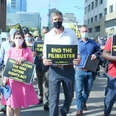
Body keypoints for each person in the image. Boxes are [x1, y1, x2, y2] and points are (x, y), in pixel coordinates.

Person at [43, 10, 80, 116]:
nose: (57, 21)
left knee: (69, 96)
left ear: (62, 19)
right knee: (53, 99)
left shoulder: (71, 33)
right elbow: (45, 56)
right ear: (52, 21)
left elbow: (77, 53)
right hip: (54, 70)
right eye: (55, 20)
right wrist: (45, 61)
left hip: (68, 69)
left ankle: (64, 110)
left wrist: (78, 58)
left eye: (59, 19)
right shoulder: (48, 35)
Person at [1, 31, 39, 116]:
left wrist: (24, 59)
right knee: (9, 103)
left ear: (23, 39)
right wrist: (4, 78)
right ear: (13, 39)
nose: (18, 40)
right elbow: (6, 65)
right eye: (16, 38)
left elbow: (31, 64)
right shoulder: (10, 50)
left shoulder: (27, 50)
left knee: (18, 103)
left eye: (20, 38)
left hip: (21, 81)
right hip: (11, 81)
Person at [74, 25, 100, 116]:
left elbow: (99, 51)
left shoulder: (93, 43)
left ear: (88, 32)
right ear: (80, 33)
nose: (84, 33)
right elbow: (70, 54)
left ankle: (83, 102)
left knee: (87, 91)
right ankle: (79, 109)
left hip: (90, 71)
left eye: (86, 31)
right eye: (82, 31)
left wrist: (96, 54)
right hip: (79, 70)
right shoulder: (76, 43)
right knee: (78, 90)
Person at [0, 28, 17, 113]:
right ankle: (4, 105)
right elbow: (1, 57)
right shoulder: (4, 44)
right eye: (11, 35)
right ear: (9, 36)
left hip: (15, 70)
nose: (12, 37)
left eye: (14, 35)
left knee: (13, 88)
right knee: (4, 86)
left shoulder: (17, 45)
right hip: (6, 68)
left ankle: (12, 104)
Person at [102, 36, 116, 116]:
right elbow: (105, 53)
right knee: (109, 99)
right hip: (113, 75)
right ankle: (106, 113)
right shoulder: (112, 39)